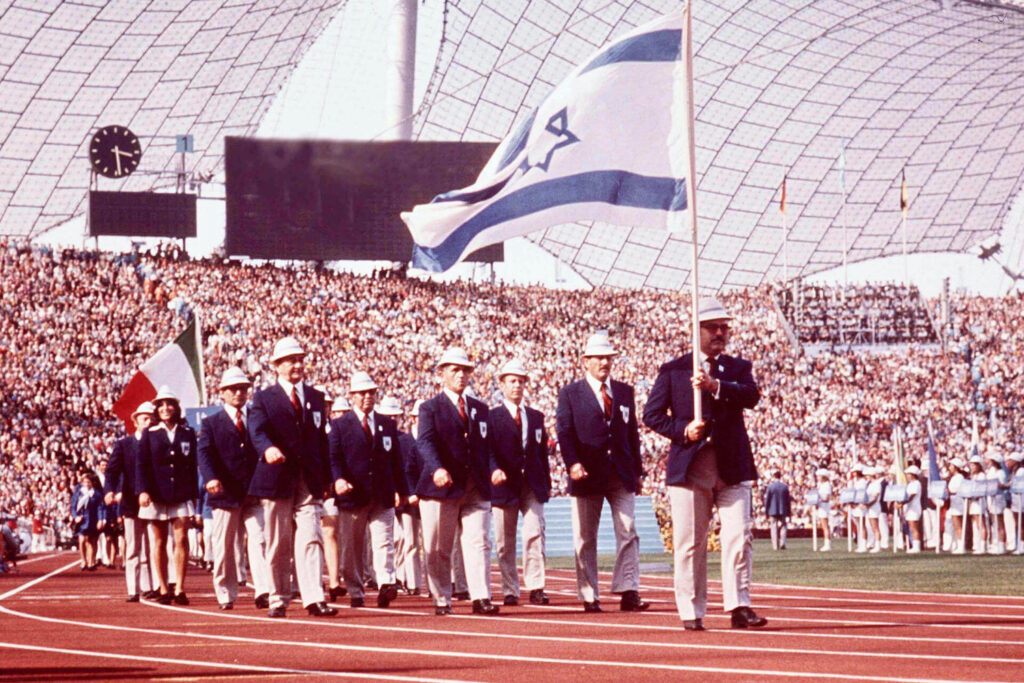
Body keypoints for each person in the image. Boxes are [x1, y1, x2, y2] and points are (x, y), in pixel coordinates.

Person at [643, 298, 765, 631]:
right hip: (691, 467)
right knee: (690, 542)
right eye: (713, 327)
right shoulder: (673, 370)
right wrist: (684, 430)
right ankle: (691, 609)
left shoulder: (738, 368)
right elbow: (651, 416)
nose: (720, 333)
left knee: (739, 535)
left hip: (732, 465)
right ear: (695, 331)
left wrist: (716, 386)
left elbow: (751, 396)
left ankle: (739, 606)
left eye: (725, 327)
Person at [558, 332, 647, 614]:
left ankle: (628, 590)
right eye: (598, 357)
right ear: (586, 361)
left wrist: (638, 471)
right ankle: (588, 595)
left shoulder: (624, 392)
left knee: (628, 530)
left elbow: (631, 432)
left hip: (621, 472)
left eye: (608, 357)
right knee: (585, 536)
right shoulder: (571, 393)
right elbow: (565, 432)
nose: (604, 362)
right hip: (587, 473)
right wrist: (572, 463)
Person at [248, 336, 336, 618]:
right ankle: (278, 597)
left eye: (299, 359)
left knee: (311, 536)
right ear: (277, 366)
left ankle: (313, 597)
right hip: (276, 477)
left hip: (308, 478)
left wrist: (327, 478)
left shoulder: (315, 397)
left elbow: (322, 441)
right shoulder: (264, 398)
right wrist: (268, 449)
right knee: (278, 540)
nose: (296, 365)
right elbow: (257, 431)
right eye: (290, 361)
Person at [416, 347, 499, 616]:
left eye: (465, 370)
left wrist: (494, 469)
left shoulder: (479, 409)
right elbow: (425, 442)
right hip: (441, 487)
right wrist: (436, 468)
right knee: (440, 546)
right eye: (455, 370)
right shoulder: (430, 408)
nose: (461, 375)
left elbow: (487, 447)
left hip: (474, 485)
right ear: (441, 374)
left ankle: (480, 596)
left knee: (479, 542)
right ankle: (442, 597)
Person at [198, 367, 272, 610]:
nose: (238, 393)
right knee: (225, 545)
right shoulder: (211, 423)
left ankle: (264, 589)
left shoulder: (256, 419)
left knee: (260, 539)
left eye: (242, 388)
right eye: (233, 389)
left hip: (253, 491)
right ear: (222, 393)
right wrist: (210, 478)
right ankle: (225, 592)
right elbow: (204, 454)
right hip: (225, 493)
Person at [328, 372, 402, 609]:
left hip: (382, 494)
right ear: (352, 396)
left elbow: (395, 461)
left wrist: (399, 489)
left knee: (384, 542)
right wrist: (338, 480)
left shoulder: (387, 424)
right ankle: (355, 589)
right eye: (362, 393)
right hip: (353, 495)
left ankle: (386, 584)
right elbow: (334, 458)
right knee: (353, 546)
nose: (367, 397)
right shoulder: (340, 426)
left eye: (371, 392)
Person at [488, 359, 552, 606]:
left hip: (532, 484)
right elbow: (487, 450)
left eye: (521, 381)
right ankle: (509, 589)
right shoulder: (492, 417)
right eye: (512, 381)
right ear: (502, 385)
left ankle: (536, 586)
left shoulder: (535, 417)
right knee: (505, 540)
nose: (517, 386)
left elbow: (541, 453)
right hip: (504, 485)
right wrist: (494, 470)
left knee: (535, 533)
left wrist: (545, 483)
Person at [136, 386, 198, 605]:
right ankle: (163, 587)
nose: (165, 408)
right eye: (160, 404)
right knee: (159, 541)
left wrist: (194, 497)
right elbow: (141, 465)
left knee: (181, 539)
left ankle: (179, 587)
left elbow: (192, 465)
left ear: (176, 407)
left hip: (181, 493)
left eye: (169, 404)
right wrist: (142, 491)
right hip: (157, 493)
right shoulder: (149, 434)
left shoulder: (187, 433)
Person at [105, 401, 156, 601]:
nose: (148, 422)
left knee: (152, 546)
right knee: (133, 547)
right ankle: (133, 589)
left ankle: (149, 586)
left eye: (152, 418)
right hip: (131, 502)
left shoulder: (157, 444)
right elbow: (112, 470)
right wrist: (110, 490)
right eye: (144, 418)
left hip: (153, 502)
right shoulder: (124, 445)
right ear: (135, 421)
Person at [394, 398, 424, 596]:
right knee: (410, 541)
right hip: (409, 499)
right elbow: (401, 470)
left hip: (428, 497)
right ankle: (412, 583)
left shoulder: (433, 440)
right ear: (413, 418)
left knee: (432, 544)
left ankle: (435, 584)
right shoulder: (403, 442)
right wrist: (409, 493)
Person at [323, 395, 351, 601]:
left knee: (330, 533)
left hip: (328, 489)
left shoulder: (335, 429)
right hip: (307, 487)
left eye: (327, 404)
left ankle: (334, 581)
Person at [71, 470, 104, 570]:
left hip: (92, 519)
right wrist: (75, 516)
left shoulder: (96, 494)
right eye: (85, 482)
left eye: (88, 482)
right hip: (82, 519)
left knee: (91, 541)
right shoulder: (78, 493)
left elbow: (100, 507)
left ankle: (90, 562)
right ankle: (83, 560)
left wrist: (101, 519)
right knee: (81, 540)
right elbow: (73, 507)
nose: (87, 484)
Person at [763, 471, 791, 551]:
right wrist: (789, 512)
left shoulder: (770, 487)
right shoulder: (785, 487)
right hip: (783, 510)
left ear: (774, 477)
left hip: (773, 510)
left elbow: (767, 500)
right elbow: (788, 501)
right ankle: (783, 543)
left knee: (774, 527)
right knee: (783, 526)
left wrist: (766, 511)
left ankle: (775, 546)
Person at [946, 458, 967, 554]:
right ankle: (957, 544)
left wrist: (948, 492)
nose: (949, 467)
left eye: (951, 466)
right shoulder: (954, 477)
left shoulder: (959, 477)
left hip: (958, 503)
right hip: (953, 503)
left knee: (958, 526)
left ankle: (961, 546)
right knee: (955, 525)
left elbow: (957, 490)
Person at [902, 464, 923, 553]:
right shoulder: (910, 484)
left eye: (909, 474)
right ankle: (914, 545)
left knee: (914, 528)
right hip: (909, 508)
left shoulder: (916, 484)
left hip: (914, 508)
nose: (907, 475)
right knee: (911, 527)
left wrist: (901, 503)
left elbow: (911, 496)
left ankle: (916, 546)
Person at [815, 469, 833, 551]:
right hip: (821, 507)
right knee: (824, 526)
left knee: (825, 526)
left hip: (824, 507)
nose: (818, 477)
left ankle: (827, 544)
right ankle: (826, 543)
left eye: (819, 476)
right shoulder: (822, 485)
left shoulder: (827, 485)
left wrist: (819, 500)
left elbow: (827, 498)